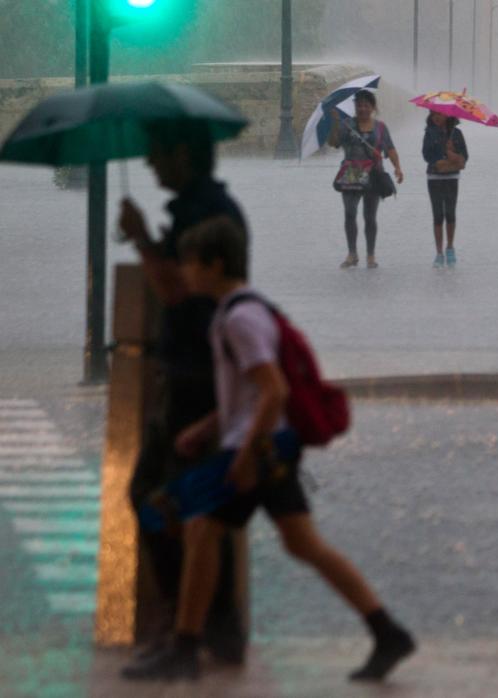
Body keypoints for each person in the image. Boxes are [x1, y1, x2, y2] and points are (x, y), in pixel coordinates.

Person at [123, 216, 416, 682]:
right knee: (301, 544)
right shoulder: (239, 311)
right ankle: (386, 630)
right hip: (267, 446)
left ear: (215, 265)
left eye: (192, 264)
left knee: (196, 529)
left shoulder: (239, 319)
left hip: (259, 450)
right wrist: (207, 427)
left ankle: (184, 647)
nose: (185, 273)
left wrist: (243, 454)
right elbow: (253, 391)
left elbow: (274, 390)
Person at [116, 120, 248, 669]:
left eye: (156, 154)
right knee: (193, 508)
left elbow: (174, 291)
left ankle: (185, 634)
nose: (150, 165)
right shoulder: (206, 206)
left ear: (183, 154)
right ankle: (212, 631)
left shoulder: (202, 215)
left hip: (197, 378)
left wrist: (143, 235)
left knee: (157, 498)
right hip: (198, 373)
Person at [329, 90, 403, 269]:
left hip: (373, 173)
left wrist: (397, 167)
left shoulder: (380, 128)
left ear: (373, 107)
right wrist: (335, 123)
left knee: (370, 216)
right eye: (359, 105)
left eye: (366, 105)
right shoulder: (347, 125)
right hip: (352, 172)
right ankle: (352, 253)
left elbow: (390, 149)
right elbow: (333, 143)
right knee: (349, 213)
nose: (362, 109)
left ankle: (370, 255)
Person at [422, 111, 468, 268]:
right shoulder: (429, 133)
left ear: (448, 115)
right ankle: (439, 252)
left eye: (440, 114)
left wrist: (452, 153)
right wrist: (441, 154)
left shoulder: (457, 133)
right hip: (434, 178)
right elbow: (426, 155)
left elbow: (465, 156)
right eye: (433, 113)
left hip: (452, 177)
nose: (436, 117)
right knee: (437, 215)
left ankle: (450, 247)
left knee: (450, 213)